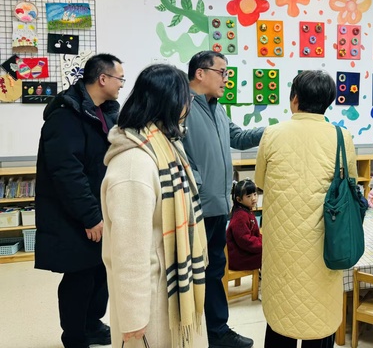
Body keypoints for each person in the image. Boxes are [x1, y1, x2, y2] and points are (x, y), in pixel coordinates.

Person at [101, 64, 207, 348]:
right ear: (170, 103)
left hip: (169, 289)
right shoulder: (134, 163)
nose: (188, 106)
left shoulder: (163, 146)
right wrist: (133, 318)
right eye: (185, 98)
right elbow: (129, 252)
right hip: (151, 303)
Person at [255, 70, 358, 348]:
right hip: (325, 242)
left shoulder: (272, 133)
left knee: (281, 316)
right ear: (328, 102)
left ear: (295, 99)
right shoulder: (342, 137)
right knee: (319, 316)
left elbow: (260, 181)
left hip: (282, 245)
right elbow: (350, 183)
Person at [34, 53, 124, 348]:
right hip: (75, 214)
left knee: (100, 272)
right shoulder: (66, 114)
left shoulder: (106, 113)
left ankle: (92, 325)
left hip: (100, 209)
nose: (122, 84)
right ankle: (74, 336)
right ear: (103, 78)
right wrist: (90, 216)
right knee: (80, 275)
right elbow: (67, 173)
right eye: (119, 78)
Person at [183, 51, 264, 348]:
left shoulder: (218, 109)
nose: (226, 79)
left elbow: (238, 137)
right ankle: (194, 331)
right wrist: (198, 182)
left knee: (215, 268)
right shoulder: (181, 106)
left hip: (219, 206)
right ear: (200, 73)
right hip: (195, 207)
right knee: (192, 272)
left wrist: (272, 132)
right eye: (222, 72)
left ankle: (217, 331)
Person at [226, 179, 262, 271]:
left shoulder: (246, 212)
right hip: (238, 257)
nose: (253, 198)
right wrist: (263, 243)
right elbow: (245, 240)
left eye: (255, 194)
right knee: (269, 254)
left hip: (243, 252)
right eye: (249, 196)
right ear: (239, 199)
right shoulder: (240, 216)